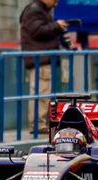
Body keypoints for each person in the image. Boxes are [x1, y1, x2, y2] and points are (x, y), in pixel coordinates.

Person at [20, 0, 68, 134]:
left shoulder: (38, 10)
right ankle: (37, 124)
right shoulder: (35, 10)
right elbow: (38, 31)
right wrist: (56, 26)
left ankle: (38, 123)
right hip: (40, 60)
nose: (56, 3)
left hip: (42, 59)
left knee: (43, 92)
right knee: (41, 92)